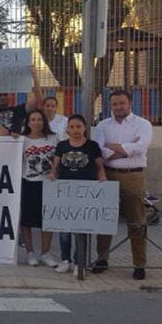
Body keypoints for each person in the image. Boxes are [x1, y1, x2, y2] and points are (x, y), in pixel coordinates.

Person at [92, 89, 154, 280]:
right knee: (104, 219)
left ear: (129, 103)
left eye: (122, 103)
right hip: (108, 175)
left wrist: (115, 147)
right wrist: (127, 148)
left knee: (136, 221)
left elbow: (141, 146)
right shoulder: (102, 125)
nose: (118, 107)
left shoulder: (143, 124)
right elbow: (99, 150)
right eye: (115, 104)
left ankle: (139, 264)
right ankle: (102, 259)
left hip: (133, 176)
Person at [49, 114, 106, 275]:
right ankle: (65, 260)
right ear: (67, 129)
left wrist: (102, 176)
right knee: (64, 230)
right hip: (65, 193)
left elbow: (99, 166)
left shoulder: (92, 146)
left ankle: (78, 262)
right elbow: (56, 165)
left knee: (81, 230)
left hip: (85, 194)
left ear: (85, 128)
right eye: (72, 127)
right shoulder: (62, 146)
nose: (75, 130)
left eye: (78, 126)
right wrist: (53, 175)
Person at [18, 109, 59, 268]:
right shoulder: (22, 140)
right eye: (33, 120)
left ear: (44, 121)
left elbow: (58, 158)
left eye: (39, 119)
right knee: (27, 221)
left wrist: (54, 171)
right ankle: (30, 253)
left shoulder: (54, 138)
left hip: (48, 183)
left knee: (47, 219)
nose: (36, 122)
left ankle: (46, 253)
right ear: (28, 123)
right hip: (28, 182)